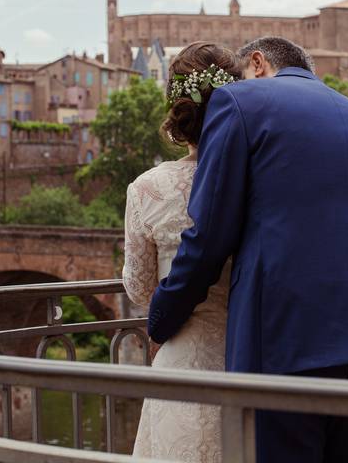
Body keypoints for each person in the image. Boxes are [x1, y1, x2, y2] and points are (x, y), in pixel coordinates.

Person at [147, 37, 348, 462]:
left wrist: (163, 314)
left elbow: (209, 237)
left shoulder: (239, 102)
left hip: (280, 349)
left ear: (258, 64)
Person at [123, 42, 242, 462]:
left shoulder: (147, 189)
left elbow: (139, 289)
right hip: (254, 361)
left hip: (184, 362)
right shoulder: (259, 182)